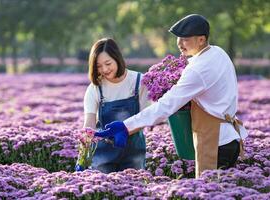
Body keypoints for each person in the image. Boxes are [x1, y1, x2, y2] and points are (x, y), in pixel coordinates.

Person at [95, 14, 248, 178]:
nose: (180, 44)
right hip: (230, 138)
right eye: (178, 38)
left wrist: (125, 126)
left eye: (185, 39)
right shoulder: (217, 53)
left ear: (201, 39)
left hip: (216, 143)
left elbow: (167, 105)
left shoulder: (198, 69)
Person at [77, 38, 149, 173]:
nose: (104, 69)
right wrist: (83, 155)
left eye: (108, 63)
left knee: (134, 190)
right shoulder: (95, 89)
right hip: (104, 152)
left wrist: (125, 130)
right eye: (98, 66)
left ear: (117, 58)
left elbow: (145, 117)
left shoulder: (139, 82)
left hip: (133, 151)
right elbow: (89, 125)